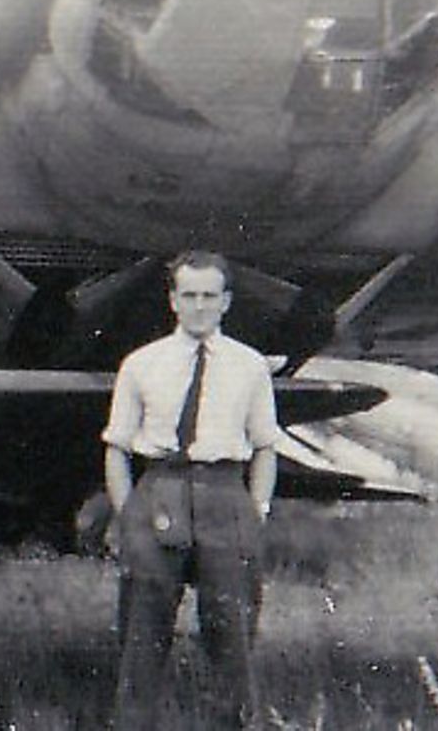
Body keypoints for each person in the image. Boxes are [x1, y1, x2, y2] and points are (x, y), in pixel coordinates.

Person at [102, 250, 279, 730]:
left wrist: (255, 510)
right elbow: (117, 448)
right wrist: (128, 516)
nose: (199, 306)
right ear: (173, 301)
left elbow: (266, 447)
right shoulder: (141, 365)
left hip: (226, 494)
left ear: (225, 302)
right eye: (189, 295)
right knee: (142, 638)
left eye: (209, 296)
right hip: (160, 490)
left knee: (234, 641)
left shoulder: (250, 367)